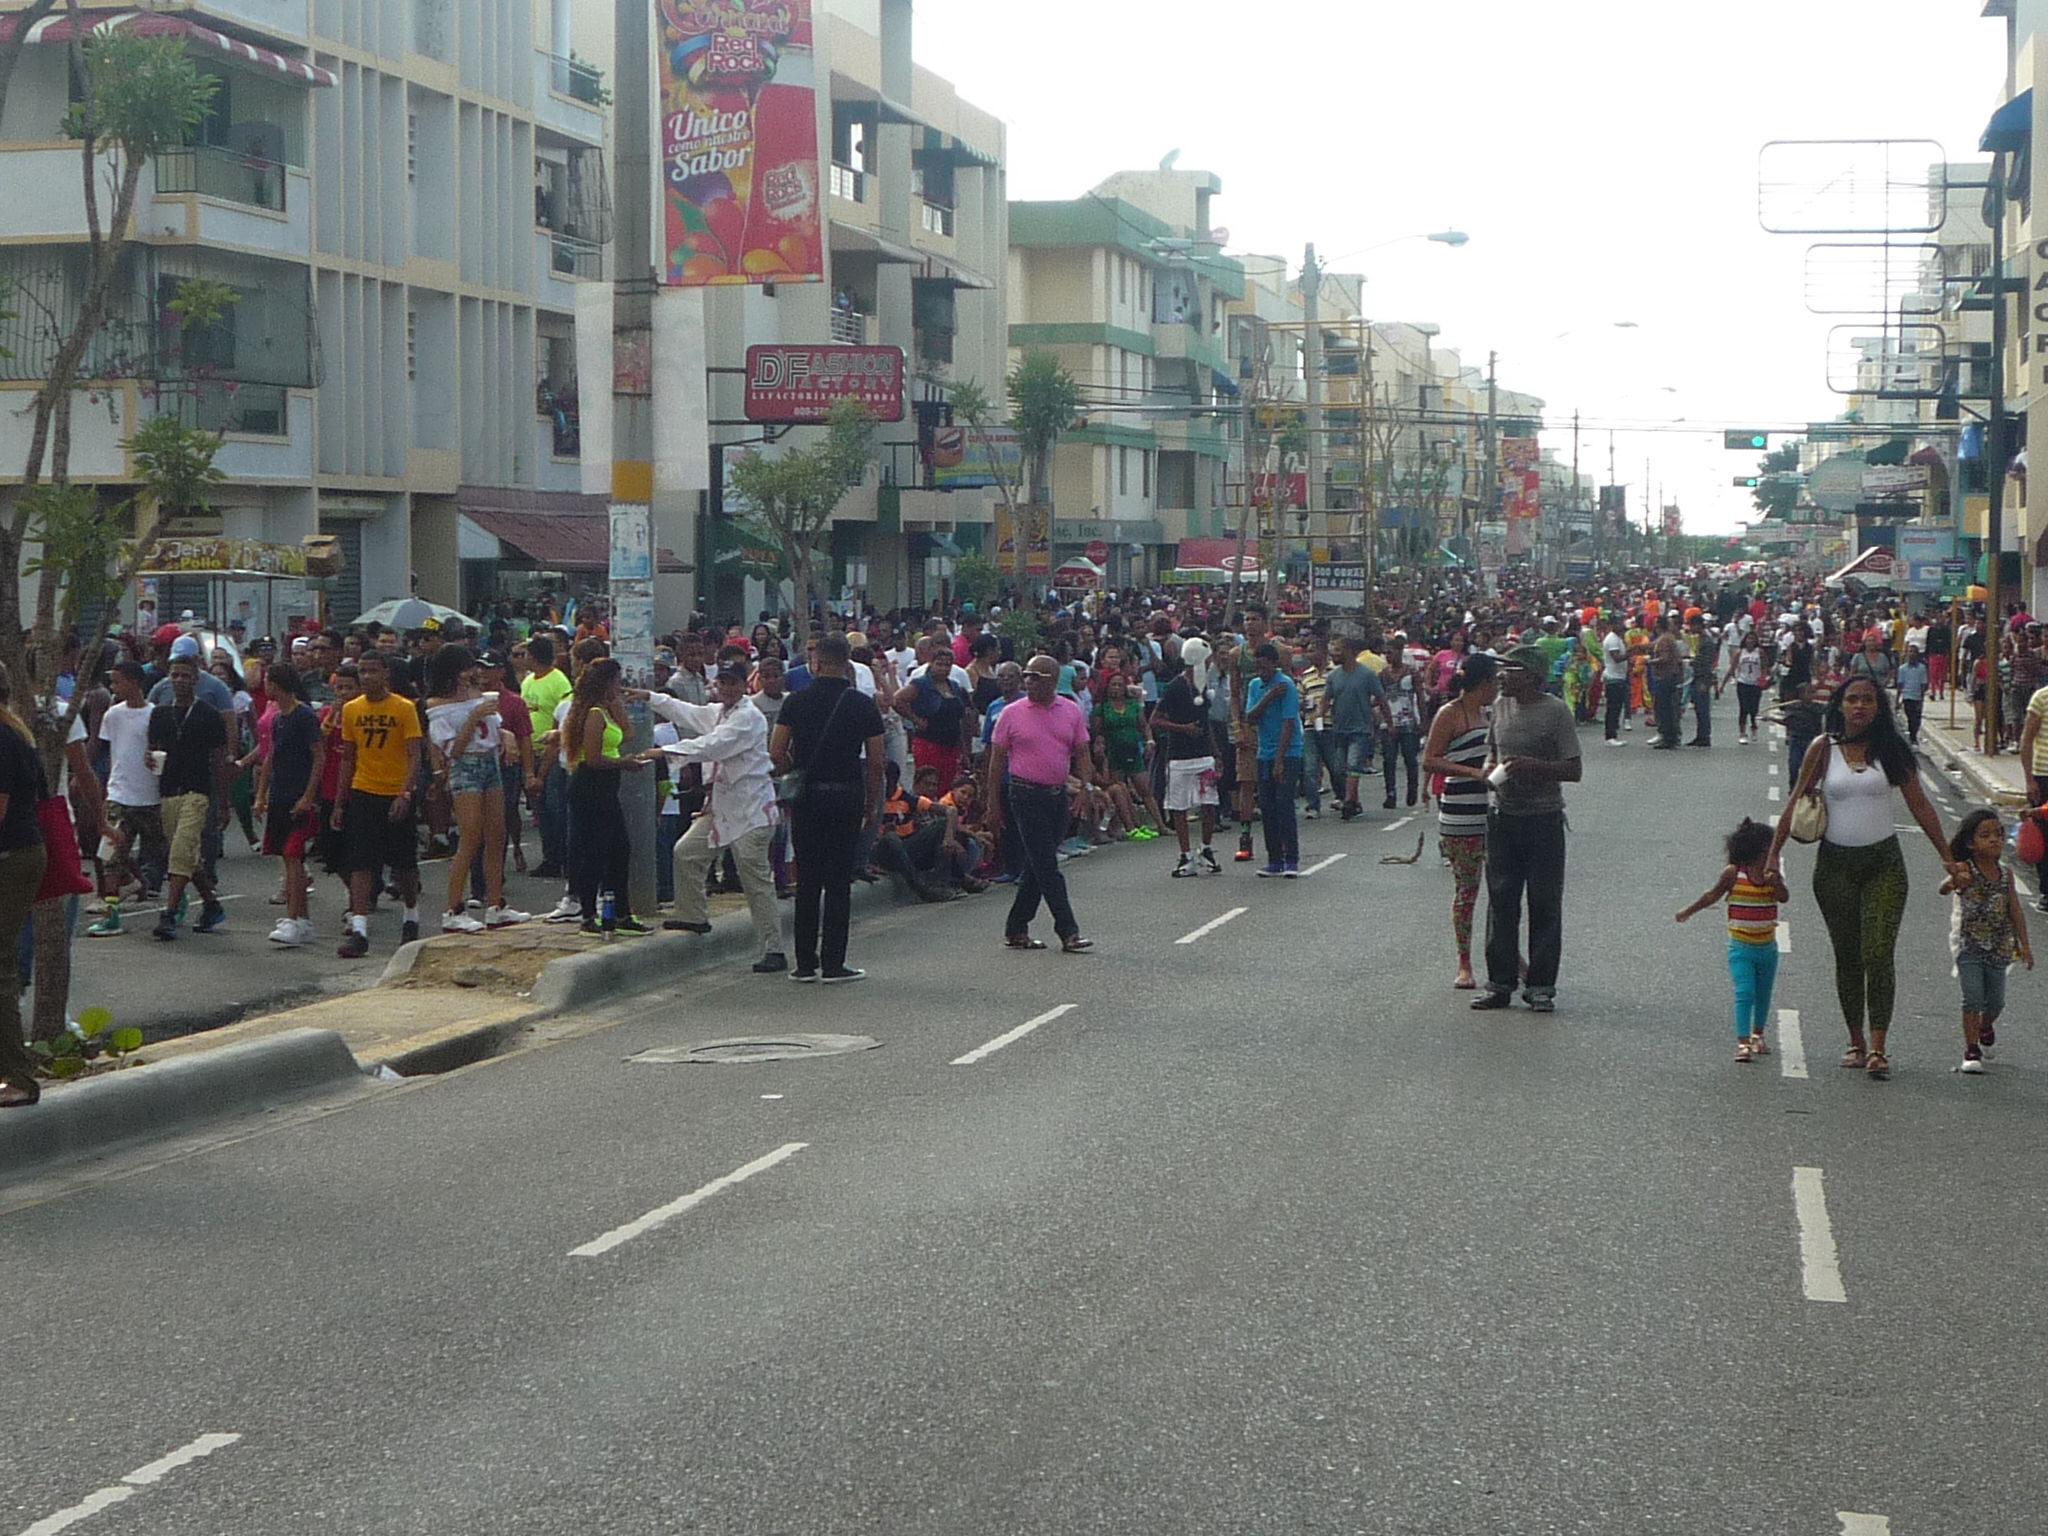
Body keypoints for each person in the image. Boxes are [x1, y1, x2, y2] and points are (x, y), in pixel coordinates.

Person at [1764, 676, 1965, 1080]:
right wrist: (1773, 856)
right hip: (1834, 868)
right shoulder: (1823, 749)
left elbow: (1921, 806)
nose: (1860, 707)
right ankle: (1854, 1041)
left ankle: (1878, 1046)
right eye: (1852, 699)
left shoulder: (1892, 750)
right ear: (1839, 705)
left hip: (1884, 866)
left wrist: (1949, 858)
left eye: (1868, 700)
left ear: (1879, 707)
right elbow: (1795, 800)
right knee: (1848, 956)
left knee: (1878, 953)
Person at [653, 661, 787, 973]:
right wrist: (648, 697)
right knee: (685, 853)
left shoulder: (747, 718)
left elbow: (713, 745)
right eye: (722, 681)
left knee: (755, 884)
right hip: (722, 808)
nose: (726, 687)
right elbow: (684, 711)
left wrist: (666, 752)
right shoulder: (718, 712)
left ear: (744, 685)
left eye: (732, 682)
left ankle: (774, 950)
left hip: (752, 811)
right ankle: (693, 916)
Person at [1470, 645, 1581, 1013]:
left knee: (1544, 902)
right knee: (1501, 901)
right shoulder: (1500, 708)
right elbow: (1492, 752)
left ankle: (1541, 987)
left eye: (1510, 669)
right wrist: (1490, 769)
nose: (1501, 676)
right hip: (1503, 818)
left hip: (1544, 820)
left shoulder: (1556, 712)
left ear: (1532, 676)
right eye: (1500, 670)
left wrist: (1532, 766)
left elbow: (1573, 769)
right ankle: (1500, 983)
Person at [770, 632, 886, 982]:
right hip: (847, 795)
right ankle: (834, 963)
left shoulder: (795, 701)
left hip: (808, 798)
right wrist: (870, 803)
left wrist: (795, 769)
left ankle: (804, 964)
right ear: (847, 664)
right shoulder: (862, 704)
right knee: (838, 882)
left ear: (815, 663)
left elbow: (776, 752)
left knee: (808, 880)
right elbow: (877, 762)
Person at [986, 654, 1094, 953]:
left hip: (1057, 795)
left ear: (1052, 680)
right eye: (1027, 676)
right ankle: (1068, 930)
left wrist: (1085, 787)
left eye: (1036, 676)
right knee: (1047, 864)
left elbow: (1083, 753)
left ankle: (1016, 927)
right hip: (1024, 794)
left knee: (1037, 863)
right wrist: (992, 802)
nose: (1028, 682)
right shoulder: (1012, 713)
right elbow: (995, 763)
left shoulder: (1070, 711)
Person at [424, 645, 526, 933]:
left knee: (497, 833)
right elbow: (452, 749)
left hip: (490, 761)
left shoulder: (477, 695)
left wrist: (506, 735)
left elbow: (493, 726)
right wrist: (475, 715)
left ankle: (496, 903)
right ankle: (453, 908)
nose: (475, 673)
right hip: (465, 765)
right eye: (469, 667)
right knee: (471, 836)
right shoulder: (436, 704)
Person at [331, 650, 425, 959]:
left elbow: (414, 754)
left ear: (385, 673)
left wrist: (405, 793)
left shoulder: (404, 708)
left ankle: (411, 914)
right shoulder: (352, 710)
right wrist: (340, 802)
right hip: (364, 791)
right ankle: (359, 929)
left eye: (373, 671)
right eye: (363, 671)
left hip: (395, 792)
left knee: (403, 865)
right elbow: (348, 756)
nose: (367, 677)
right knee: (361, 862)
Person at [1675, 818, 1790, 1063]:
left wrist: (1777, 882)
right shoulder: (1734, 874)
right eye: (1769, 851)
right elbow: (1712, 895)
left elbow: (1783, 898)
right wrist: (1688, 911)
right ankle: (1743, 1041)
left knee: (1763, 993)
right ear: (1757, 852)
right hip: (1741, 946)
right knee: (1744, 991)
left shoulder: (1772, 875)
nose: (1772, 856)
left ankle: (1758, 1034)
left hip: (1767, 947)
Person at [1422, 653, 1499, 989]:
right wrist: (1472, 772)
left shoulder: (1488, 715)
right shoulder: (1449, 714)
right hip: (1459, 814)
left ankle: (1508, 956)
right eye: (1494, 682)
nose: (1497, 688)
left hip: (1491, 810)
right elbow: (1431, 760)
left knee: (1501, 892)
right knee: (1467, 892)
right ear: (1482, 683)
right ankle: (1464, 962)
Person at [1939, 808, 2032, 1074]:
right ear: (1971, 843)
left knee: (1995, 1002)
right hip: (1969, 944)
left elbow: (2015, 909)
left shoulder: (2006, 875)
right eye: (1986, 835)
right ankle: (1971, 1048)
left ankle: (1985, 1026)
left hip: (2000, 945)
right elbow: (1945, 887)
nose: (1994, 840)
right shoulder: (1966, 869)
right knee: (1973, 998)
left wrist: (2024, 944)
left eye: (1999, 834)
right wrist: (1953, 882)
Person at [563, 658, 650, 936]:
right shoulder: (593, 714)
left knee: (618, 850)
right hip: (592, 785)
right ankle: (589, 913)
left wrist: (619, 706)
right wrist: (623, 763)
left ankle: (620, 911)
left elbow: (625, 734)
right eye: (616, 680)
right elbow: (594, 758)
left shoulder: (606, 710)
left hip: (607, 787)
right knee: (595, 852)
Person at [147, 656, 230, 942]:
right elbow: (152, 748)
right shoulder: (159, 714)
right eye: (175, 675)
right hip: (169, 792)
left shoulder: (208, 715)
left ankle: (168, 913)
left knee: (181, 850)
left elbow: (219, 760)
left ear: (196, 680)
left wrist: (223, 803)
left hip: (197, 791)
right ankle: (211, 903)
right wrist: (150, 758)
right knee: (187, 855)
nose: (179, 680)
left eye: (185, 676)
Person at [0, 674, 48, 1108]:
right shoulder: (19, 732)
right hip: (24, 851)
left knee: (0, 968)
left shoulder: (3, 735)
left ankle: (18, 1077)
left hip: (10, 856)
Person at [254, 662, 324, 948]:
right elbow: (271, 757)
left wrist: (308, 796)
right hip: (281, 796)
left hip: (298, 796)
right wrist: (261, 794)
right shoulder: (279, 718)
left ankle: (295, 918)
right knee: (286, 857)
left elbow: (318, 756)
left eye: (268, 681)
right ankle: (301, 920)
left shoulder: (304, 716)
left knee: (294, 857)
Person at [1153, 656, 1222, 877]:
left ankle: (1206, 849)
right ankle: (1186, 855)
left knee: (1209, 804)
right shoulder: (1176, 686)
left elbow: (1205, 721)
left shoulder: (1203, 686)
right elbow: (1156, 720)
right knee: (1179, 808)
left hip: (1203, 756)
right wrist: (1183, 728)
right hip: (1179, 758)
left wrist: (1216, 752)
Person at [1243, 642, 1302, 877]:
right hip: (1264, 752)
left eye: (1265, 667)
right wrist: (1268, 697)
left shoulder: (1286, 685)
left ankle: (1292, 859)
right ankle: (1274, 858)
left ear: (1275, 664)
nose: (1261, 672)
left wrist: (1279, 760)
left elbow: (1289, 723)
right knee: (1267, 806)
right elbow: (1250, 717)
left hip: (1287, 752)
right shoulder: (1256, 686)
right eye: (1258, 667)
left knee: (1284, 804)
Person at [519, 633, 573, 879]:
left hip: (553, 752)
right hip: (532, 752)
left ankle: (563, 857)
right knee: (541, 809)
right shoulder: (529, 681)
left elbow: (562, 721)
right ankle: (549, 857)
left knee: (555, 807)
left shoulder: (559, 682)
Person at [1323, 634, 1387, 819]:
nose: (1334, 655)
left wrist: (1388, 723)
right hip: (1339, 728)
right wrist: (1318, 715)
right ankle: (1353, 800)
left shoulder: (1367, 675)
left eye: (1337, 650)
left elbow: (1381, 698)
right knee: (1339, 767)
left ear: (1350, 652)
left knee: (1353, 764)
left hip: (1360, 728)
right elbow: (1326, 699)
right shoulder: (1333, 676)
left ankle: (1349, 802)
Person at [1720, 629, 1767, 746]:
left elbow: (1765, 667)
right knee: (1743, 708)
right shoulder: (1740, 653)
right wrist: (1723, 685)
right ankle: (1742, 733)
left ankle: (1754, 726)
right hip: (1743, 682)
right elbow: (1732, 668)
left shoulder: (1759, 652)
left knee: (1754, 708)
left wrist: (1764, 679)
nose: (1750, 641)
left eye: (1752, 639)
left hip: (1755, 684)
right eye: (1748, 638)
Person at [1895, 644, 1929, 747]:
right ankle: (1912, 737)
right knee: (1910, 717)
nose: (1912, 654)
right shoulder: (1902, 669)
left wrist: (1922, 698)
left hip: (1917, 697)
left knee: (1917, 718)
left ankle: (1914, 735)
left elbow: (1923, 684)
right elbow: (1900, 685)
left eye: (1914, 652)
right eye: (1910, 651)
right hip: (1907, 696)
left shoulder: (1922, 668)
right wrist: (1898, 700)